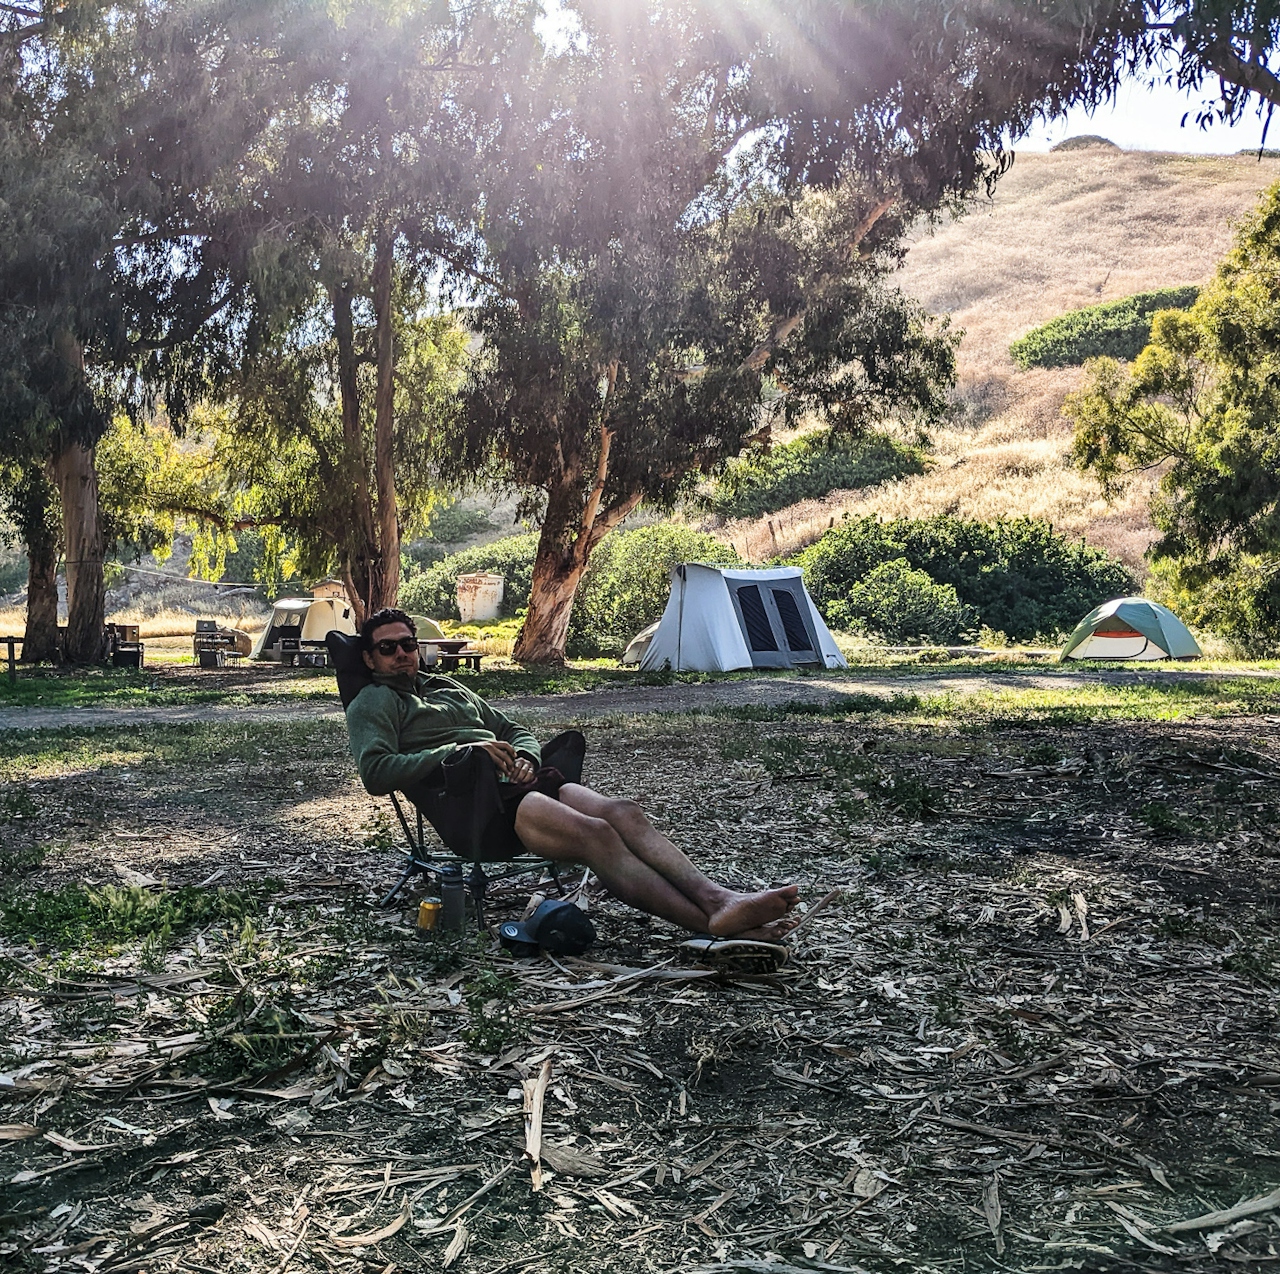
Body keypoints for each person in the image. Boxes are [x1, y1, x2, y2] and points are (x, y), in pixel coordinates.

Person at [345, 607, 799, 940]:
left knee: (622, 813)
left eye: (408, 643)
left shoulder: (448, 686)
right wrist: (462, 748)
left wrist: (527, 757)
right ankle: (714, 924)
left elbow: (512, 728)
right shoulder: (376, 703)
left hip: (517, 785)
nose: (402, 654)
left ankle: (721, 900)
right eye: (388, 648)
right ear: (369, 659)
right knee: (596, 835)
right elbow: (376, 772)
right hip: (473, 807)